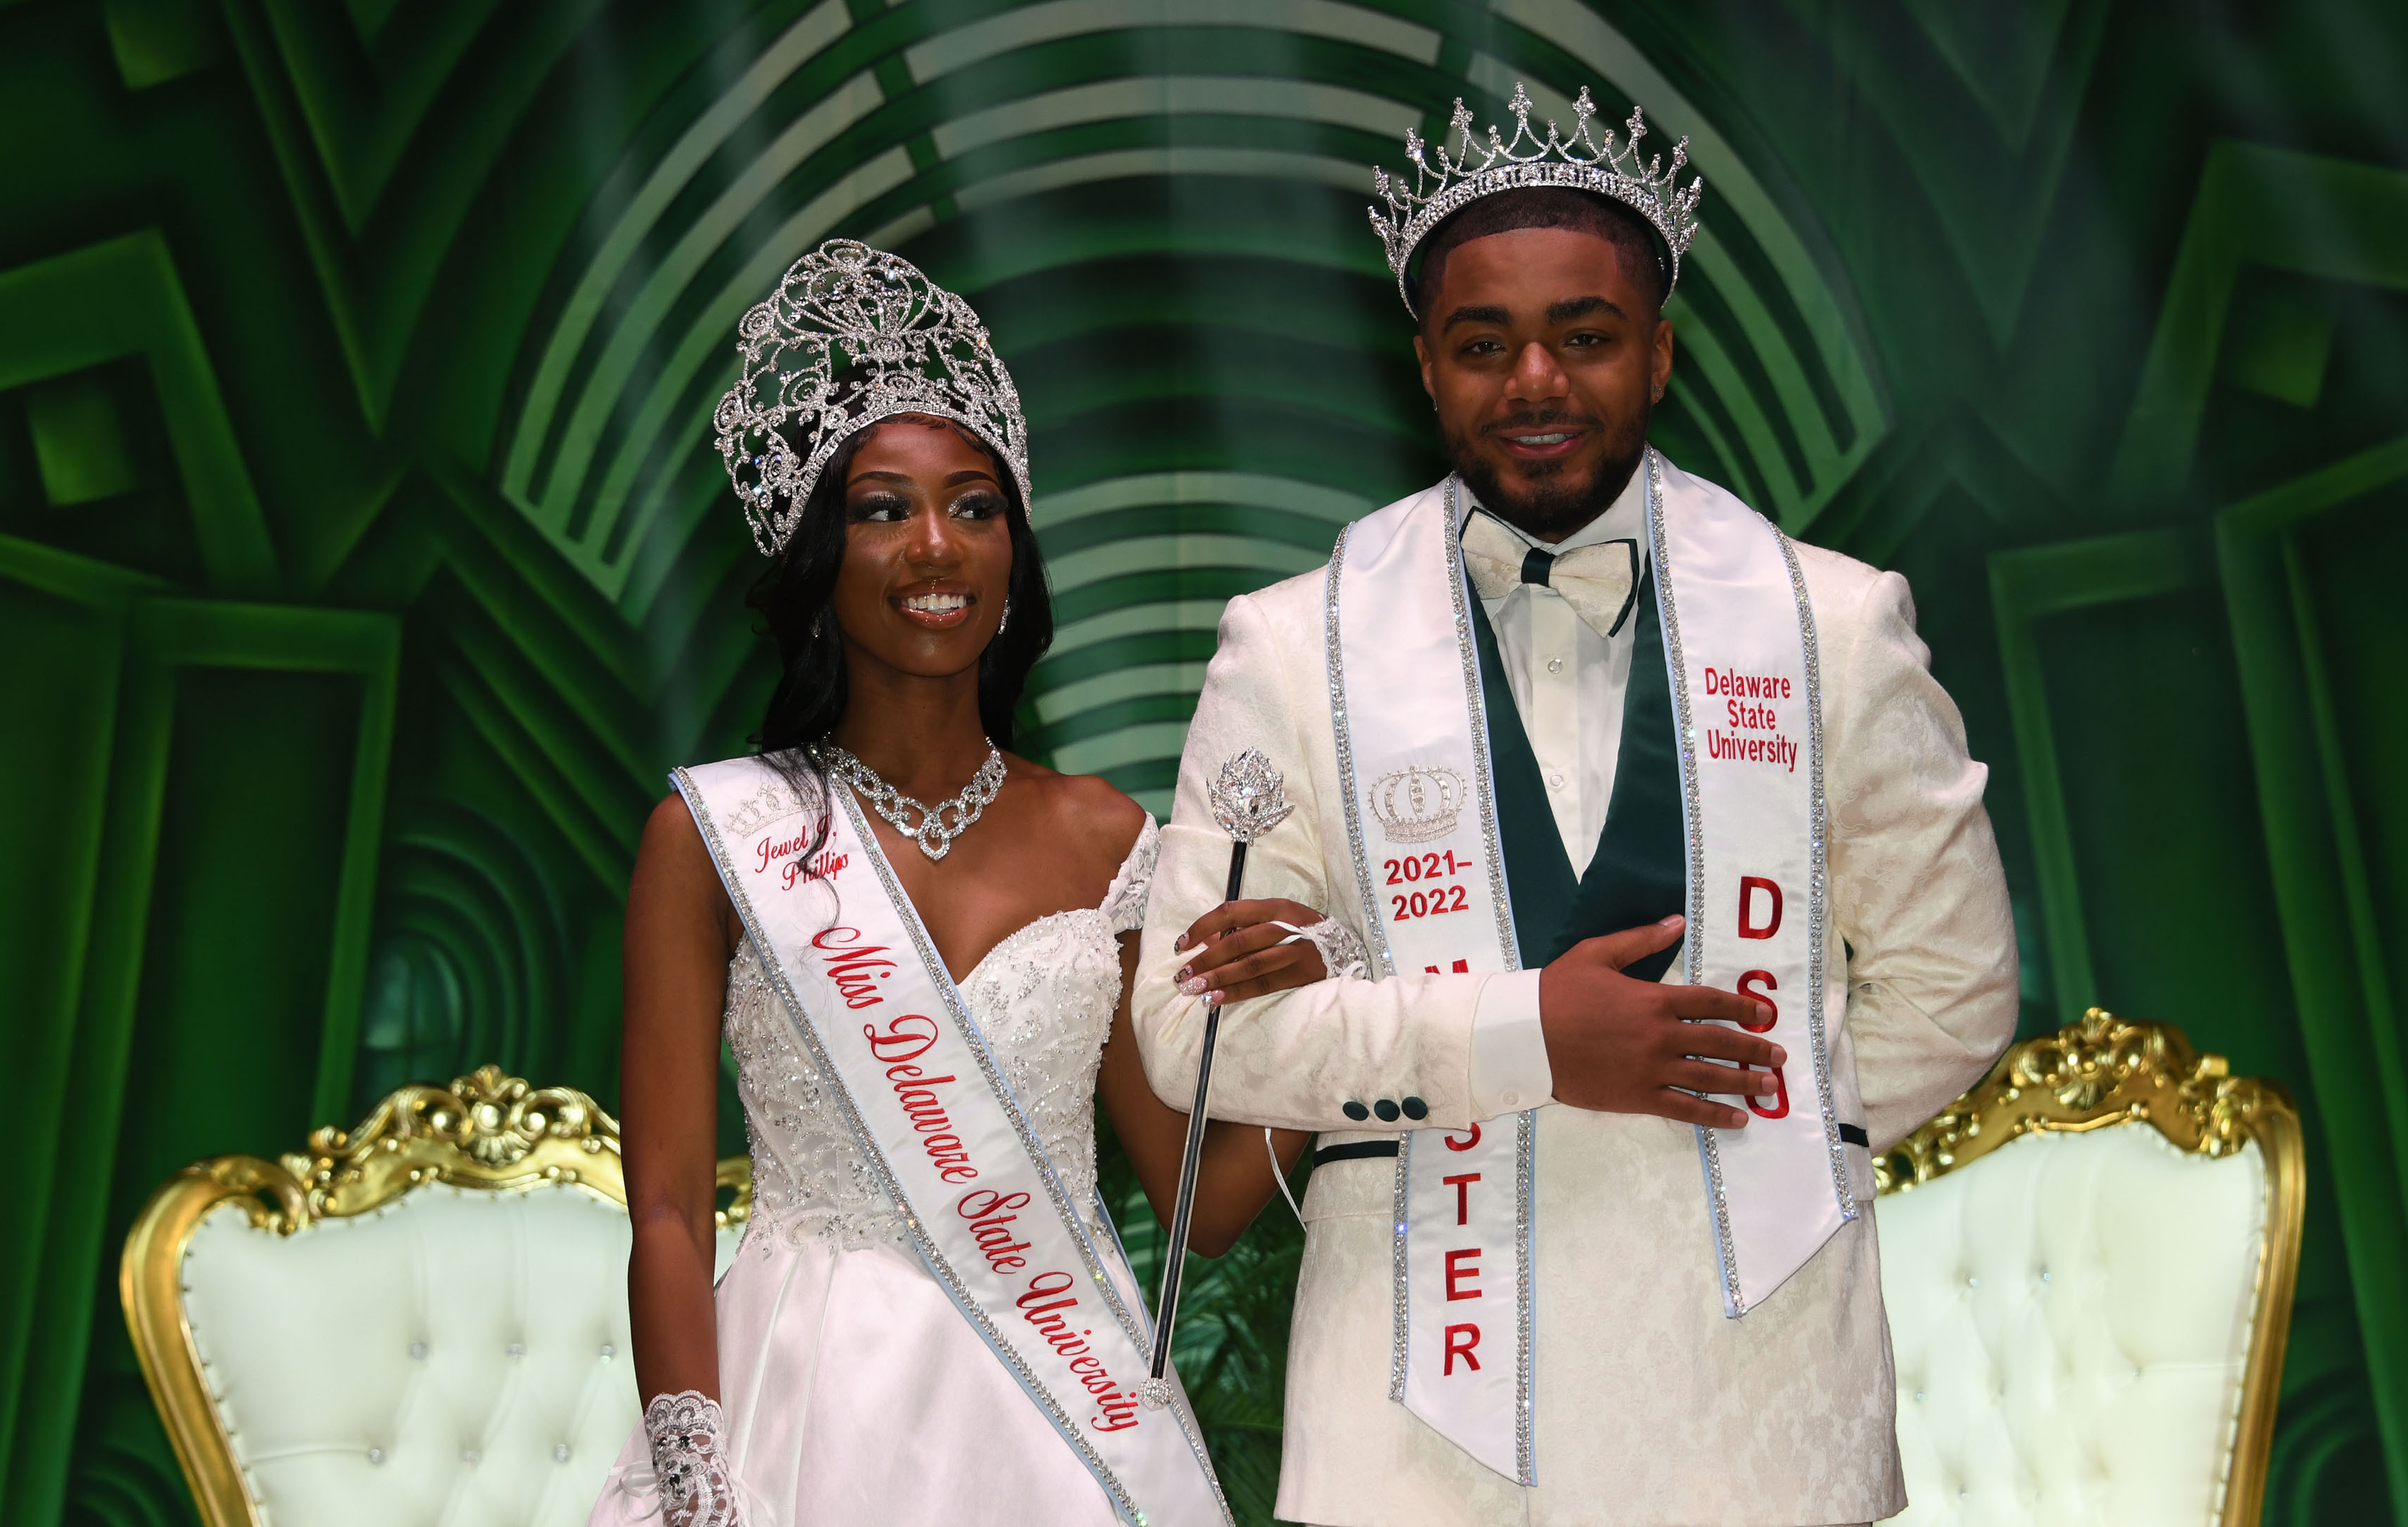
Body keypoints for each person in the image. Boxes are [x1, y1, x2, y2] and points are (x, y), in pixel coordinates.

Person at [1132, 88, 2019, 1526]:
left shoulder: (1837, 628)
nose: (1535, 379)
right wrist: (1523, 1042)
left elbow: (1955, 989)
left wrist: (1731, 1140)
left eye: (1585, 336)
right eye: (1485, 345)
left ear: (1658, 352)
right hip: (1411, 1425)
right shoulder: (1295, 649)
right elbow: (1196, 1034)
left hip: (1754, 1405)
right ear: (1427, 369)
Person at [595, 240, 1342, 1527]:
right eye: (883, 508)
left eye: (975, 506)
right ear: (819, 553)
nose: (935, 544)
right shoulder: (714, 831)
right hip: (800, 1401)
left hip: (1065, 1417)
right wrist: (695, 1473)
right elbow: (664, 1206)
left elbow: (1201, 1202)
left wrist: (1334, 1003)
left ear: (1014, 552)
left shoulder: (1107, 835)